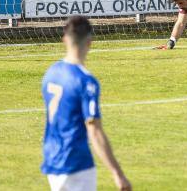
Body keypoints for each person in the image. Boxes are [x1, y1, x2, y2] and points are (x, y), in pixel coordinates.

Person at [41, 16, 131, 191]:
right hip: (76, 162)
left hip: (52, 157)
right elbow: (94, 131)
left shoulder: (51, 72)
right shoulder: (86, 82)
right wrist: (117, 173)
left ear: (64, 39)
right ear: (89, 42)